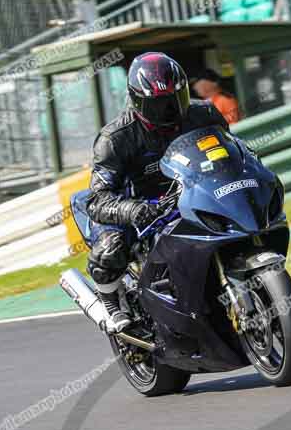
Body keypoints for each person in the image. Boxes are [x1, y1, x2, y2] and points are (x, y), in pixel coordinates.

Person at [85, 52, 229, 333]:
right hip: (141, 206)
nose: (171, 110)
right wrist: (133, 210)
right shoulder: (115, 138)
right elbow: (97, 199)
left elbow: (230, 151)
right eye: (160, 104)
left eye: (176, 98)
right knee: (110, 247)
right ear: (138, 101)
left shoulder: (204, 114)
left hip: (194, 193)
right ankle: (111, 302)